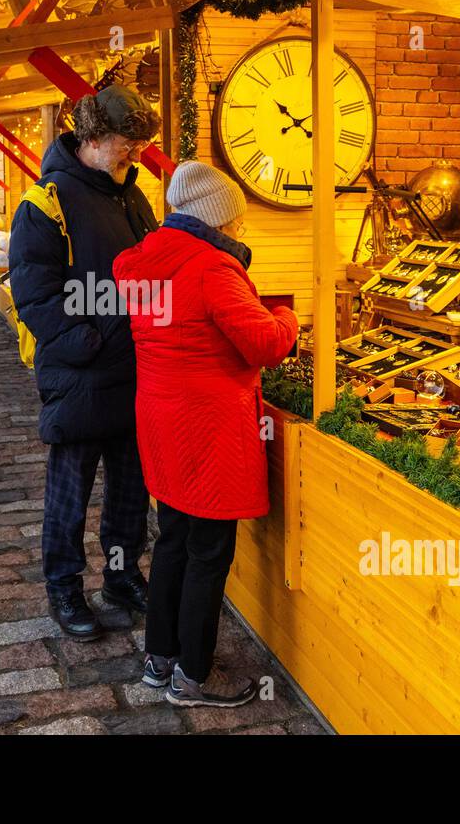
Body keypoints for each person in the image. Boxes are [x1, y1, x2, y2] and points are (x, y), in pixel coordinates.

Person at [114, 160, 296, 707]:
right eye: (237, 221)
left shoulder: (143, 262)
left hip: (161, 417)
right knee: (209, 550)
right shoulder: (212, 267)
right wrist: (287, 316)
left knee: (172, 537)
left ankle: (160, 658)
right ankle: (195, 676)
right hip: (208, 427)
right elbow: (264, 344)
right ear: (217, 219)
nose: (240, 231)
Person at [7, 85, 160, 640]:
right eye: (128, 143)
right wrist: (90, 344)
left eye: (141, 143)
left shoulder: (134, 197)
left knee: (129, 490)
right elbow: (36, 295)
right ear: (93, 139)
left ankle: (120, 578)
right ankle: (64, 587)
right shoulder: (45, 201)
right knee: (69, 492)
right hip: (80, 376)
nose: (135, 153)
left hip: (136, 372)